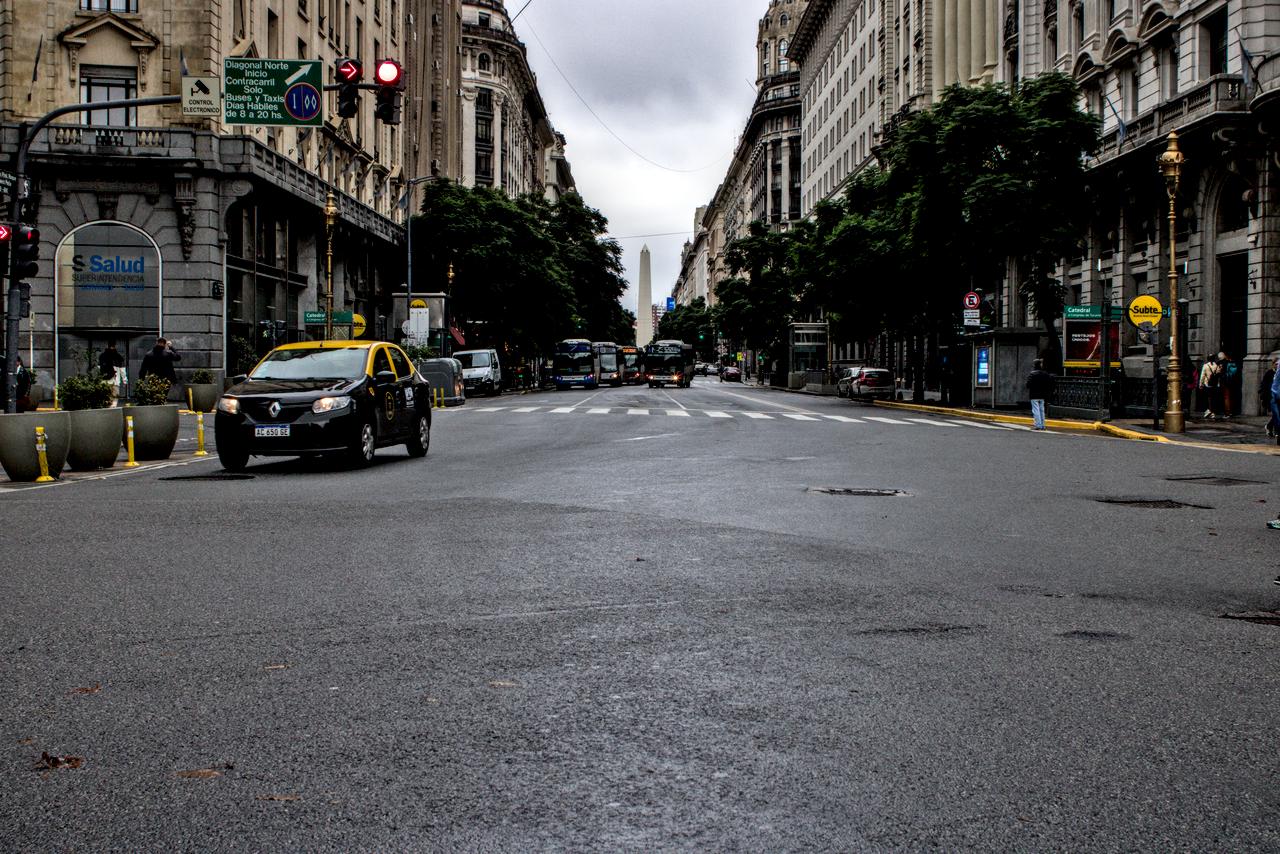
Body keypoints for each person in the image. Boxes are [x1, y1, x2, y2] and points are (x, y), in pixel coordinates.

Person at [1026, 358, 1054, 431]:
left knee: (1036, 410)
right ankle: (1043, 425)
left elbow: (1028, 385)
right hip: (1042, 395)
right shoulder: (1045, 374)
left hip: (1034, 395)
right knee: (1042, 410)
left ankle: (1038, 425)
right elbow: (1049, 384)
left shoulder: (1032, 374)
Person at [1218, 351, 1239, 418]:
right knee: (1231, 396)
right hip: (1232, 382)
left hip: (1225, 382)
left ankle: (1227, 412)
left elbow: (1219, 372)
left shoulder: (1222, 363)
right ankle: (1232, 411)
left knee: (1226, 397)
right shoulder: (1231, 362)